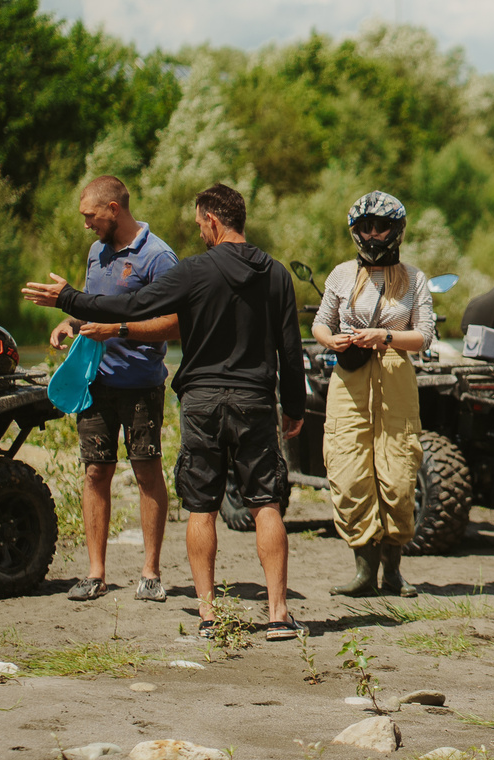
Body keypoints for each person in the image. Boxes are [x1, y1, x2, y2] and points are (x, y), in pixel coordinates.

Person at [24, 183, 308, 640]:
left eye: (200, 225)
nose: (199, 233)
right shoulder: (276, 274)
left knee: (201, 507)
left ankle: (209, 615)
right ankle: (277, 614)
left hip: (202, 402)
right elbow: (289, 349)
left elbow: (133, 305)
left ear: (213, 220)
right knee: (266, 505)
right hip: (256, 400)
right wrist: (294, 407)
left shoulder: (195, 271)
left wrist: (69, 300)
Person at [54, 176, 179, 603]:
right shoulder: (96, 252)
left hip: (141, 384)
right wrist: (69, 323)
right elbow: (93, 303)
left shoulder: (158, 257)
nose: (86, 224)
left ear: (112, 208)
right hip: (95, 382)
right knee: (95, 471)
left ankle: (150, 571)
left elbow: (175, 323)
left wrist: (119, 330)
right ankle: (95, 573)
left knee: (146, 470)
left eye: (90, 216)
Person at [311, 191, 435, 598]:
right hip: (348, 379)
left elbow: (424, 336)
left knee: (399, 475)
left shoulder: (415, 279)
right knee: (348, 473)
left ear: (396, 230)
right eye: (365, 226)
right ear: (355, 231)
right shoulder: (341, 275)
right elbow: (319, 324)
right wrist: (333, 342)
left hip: (396, 377)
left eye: (381, 226)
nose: (373, 233)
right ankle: (363, 572)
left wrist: (385, 336)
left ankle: (393, 573)